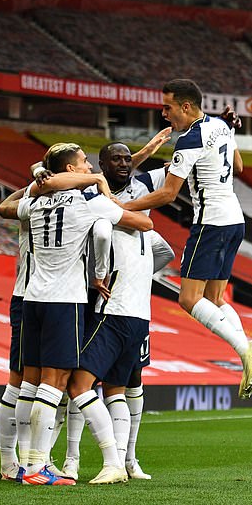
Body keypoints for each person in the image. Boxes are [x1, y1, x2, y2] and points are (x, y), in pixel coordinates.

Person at [18, 142, 153, 485]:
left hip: (32, 297)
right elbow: (138, 223)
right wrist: (100, 272)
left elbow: (8, 206)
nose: (90, 166)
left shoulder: (35, 197)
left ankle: (29, 463)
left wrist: (39, 174)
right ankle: (38, 468)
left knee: (33, 385)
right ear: (72, 171)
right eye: (84, 163)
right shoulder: (86, 201)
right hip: (66, 300)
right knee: (58, 384)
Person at [122, 79, 252, 399]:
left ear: (186, 107)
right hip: (235, 221)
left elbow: (168, 194)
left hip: (211, 223)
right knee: (215, 299)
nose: (164, 114)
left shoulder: (190, 139)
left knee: (188, 299)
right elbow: (239, 166)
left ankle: (246, 350)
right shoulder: (221, 125)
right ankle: (250, 358)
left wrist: (122, 207)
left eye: (168, 107)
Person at [62, 139, 175, 482]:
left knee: (104, 384)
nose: (125, 164)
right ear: (101, 166)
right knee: (103, 386)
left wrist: (131, 272)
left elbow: (164, 249)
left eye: (129, 159)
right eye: (117, 159)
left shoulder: (131, 192)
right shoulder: (92, 193)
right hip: (121, 309)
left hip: (123, 307)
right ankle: (78, 458)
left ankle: (121, 460)